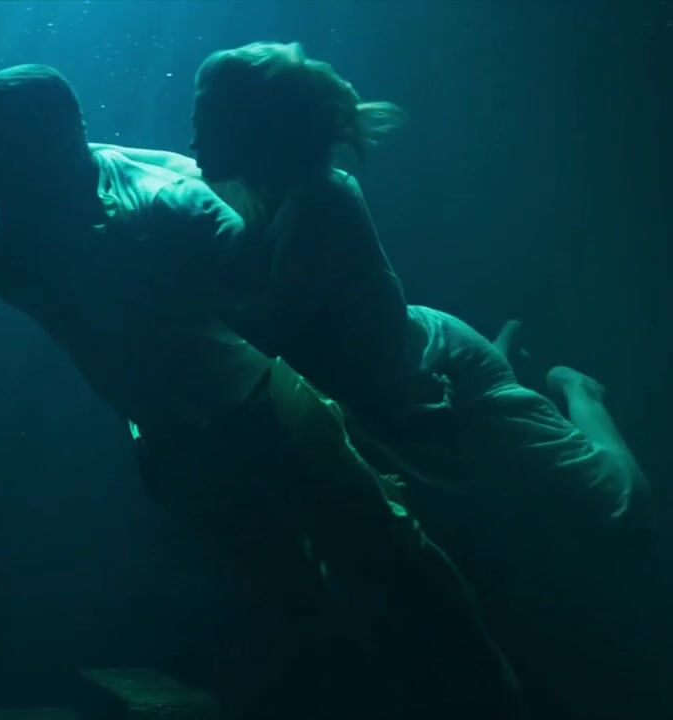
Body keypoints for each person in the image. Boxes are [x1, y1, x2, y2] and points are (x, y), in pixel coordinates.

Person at [0, 63, 522, 719]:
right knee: (285, 599)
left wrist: (386, 391)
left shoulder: (163, 200)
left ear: (53, 139)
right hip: (184, 448)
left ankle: (491, 700)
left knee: (394, 561)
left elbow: (290, 297)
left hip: (272, 411)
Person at [185, 41, 661, 719]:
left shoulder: (324, 196)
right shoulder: (266, 191)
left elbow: (279, 330)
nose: (194, 136)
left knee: (620, 513)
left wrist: (174, 285)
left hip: (438, 383)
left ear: (255, 124)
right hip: (406, 389)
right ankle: (510, 370)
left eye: (207, 116)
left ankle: (580, 390)